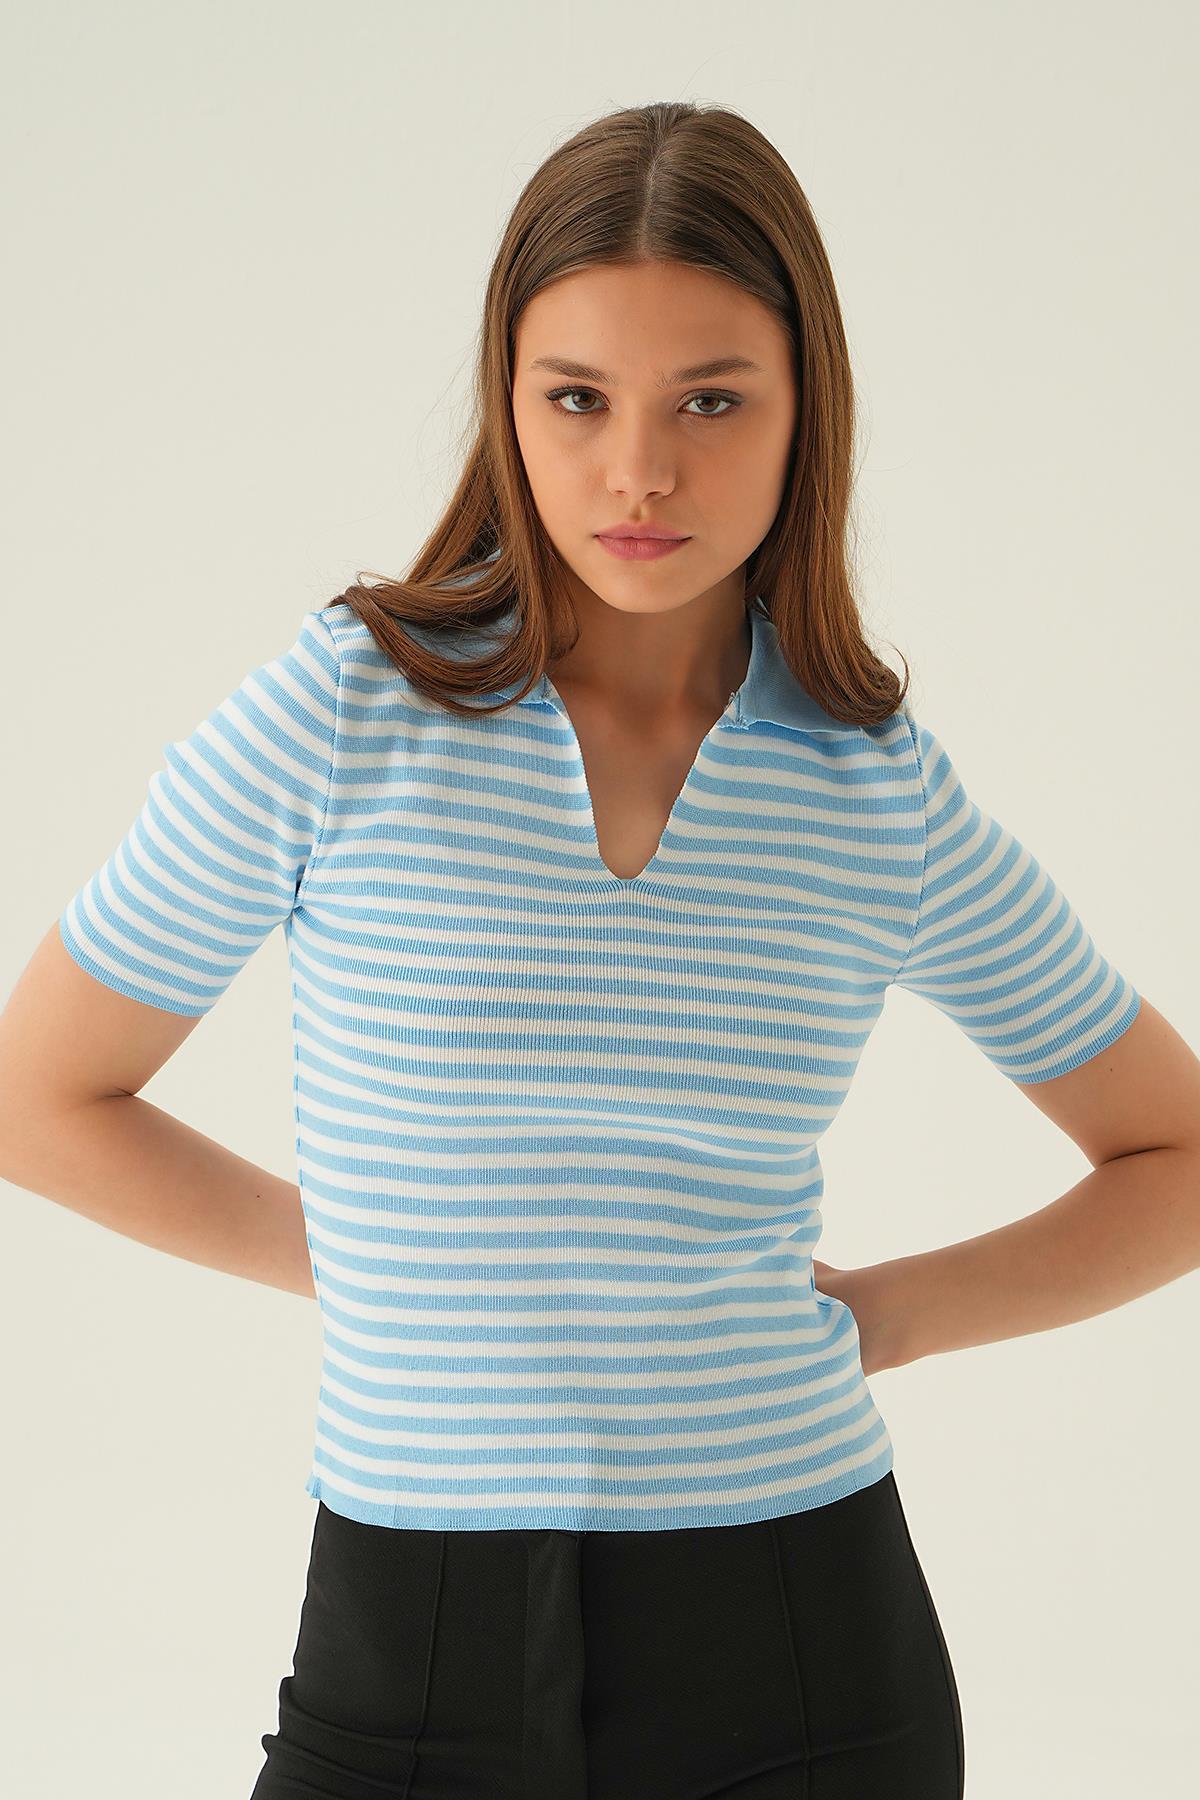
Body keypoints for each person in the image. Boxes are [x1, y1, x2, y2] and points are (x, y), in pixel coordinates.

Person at [3, 100, 1195, 1800]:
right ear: (507, 403)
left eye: (711, 401)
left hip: (804, 1651)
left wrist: (887, 1318)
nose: (640, 470)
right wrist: (375, 1268)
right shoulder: (344, 716)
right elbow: (38, 1095)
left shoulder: (873, 792)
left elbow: (1175, 1150)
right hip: (408, 1648)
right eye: (578, 399)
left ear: (807, 411)